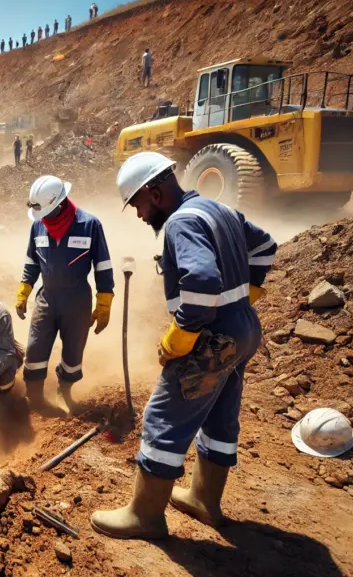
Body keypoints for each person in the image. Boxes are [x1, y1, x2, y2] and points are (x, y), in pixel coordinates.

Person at [90, 152, 275, 539]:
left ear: (154, 193)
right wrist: (246, 296)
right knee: (221, 412)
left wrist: (183, 334)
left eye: (138, 204)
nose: (140, 215)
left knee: (164, 415)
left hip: (212, 338)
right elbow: (266, 247)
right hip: (242, 329)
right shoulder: (218, 210)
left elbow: (203, 280)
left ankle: (145, 515)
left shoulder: (180, 223)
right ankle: (205, 500)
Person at [16, 175, 113, 411]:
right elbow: (32, 262)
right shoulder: (38, 225)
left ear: (58, 204)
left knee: (73, 348)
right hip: (47, 298)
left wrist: (104, 302)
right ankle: (35, 396)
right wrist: (24, 289)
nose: (42, 219)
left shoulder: (90, 225)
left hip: (77, 299)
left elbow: (103, 266)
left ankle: (64, 391)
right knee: (36, 346)